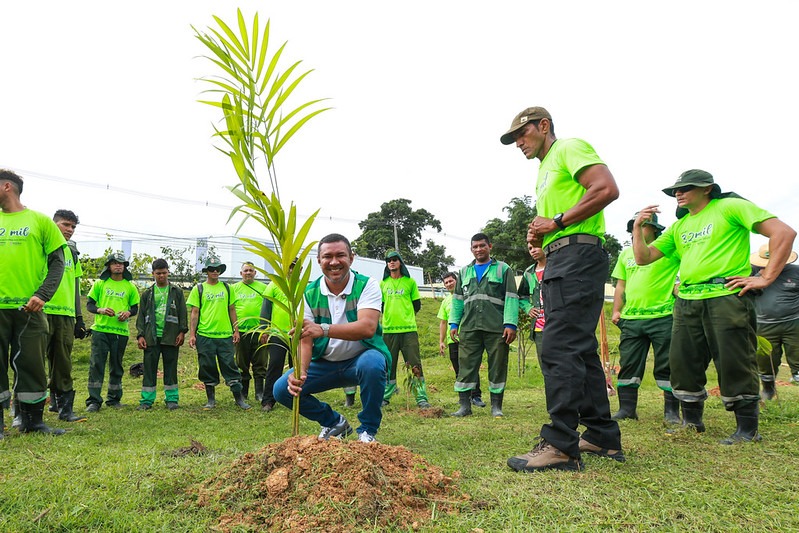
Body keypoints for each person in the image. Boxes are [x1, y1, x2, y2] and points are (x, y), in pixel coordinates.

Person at [633, 169, 796, 444]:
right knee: (683, 362)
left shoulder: (731, 207)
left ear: (707, 188)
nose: (678, 194)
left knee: (735, 361)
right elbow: (644, 257)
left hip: (725, 296)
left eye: (685, 188)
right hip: (687, 300)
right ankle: (692, 422)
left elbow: (784, 232)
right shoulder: (679, 226)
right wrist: (638, 227)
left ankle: (747, 430)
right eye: (675, 191)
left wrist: (766, 277)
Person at [500, 107, 623, 472]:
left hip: (578, 256)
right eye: (514, 139)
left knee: (557, 344)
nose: (518, 143)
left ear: (544, 126)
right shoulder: (545, 169)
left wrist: (555, 222)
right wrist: (542, 235)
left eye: (522, 134)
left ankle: (561, 443)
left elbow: (606, 188)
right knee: (580, 348)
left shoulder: (568, 148)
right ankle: (601, 435)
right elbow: (558, 220)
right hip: (562, 259)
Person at [273, 233, 390, 443]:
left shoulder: (367, 285)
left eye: (340, 255)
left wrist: (324, 329)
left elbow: (367, 327)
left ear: (351, 258)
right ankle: (334, 422)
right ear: (319, 261)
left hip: (360, 360)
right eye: (327, 256)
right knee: (282, 389)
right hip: (325, 363)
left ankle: (367, 431)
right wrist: (302, 371)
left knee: (373, 364)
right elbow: (305, 339)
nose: (334, 262)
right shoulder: (308, 293)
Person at [0, 169, 67, 436]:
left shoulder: (40, 221)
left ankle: (32, 422)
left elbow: (58, 263)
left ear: (7, 187)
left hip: (29, 309)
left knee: (31, 365)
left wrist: (42, 295)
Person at [610, 213, 680, 424]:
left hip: (663, 317)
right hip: (631, 319)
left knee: (667, 364)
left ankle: (671, 411)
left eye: (642, 226)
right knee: (629, 364)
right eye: (633, 227)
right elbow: (621, 285)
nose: (636, 231)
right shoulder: (625, 255)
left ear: (655, 229)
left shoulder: (670, 250)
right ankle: (627, 409)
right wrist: (616, 310)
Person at [449, 233, 518, 418]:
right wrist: (454, 323)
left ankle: (496, 407)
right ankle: (465, 406)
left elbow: (511, 297)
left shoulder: (503, 269)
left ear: (490, 246)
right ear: (471, 249)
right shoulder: (464, 272)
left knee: (497, 365)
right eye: (475, 247)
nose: (478, 249)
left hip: (496, 328)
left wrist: (511, 324)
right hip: (470, 327)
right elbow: (457, 300)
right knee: (466, 366)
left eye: (482, 246)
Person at [41, 209, 88, 423]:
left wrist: (79, 318)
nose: (69, 230)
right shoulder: (40, 248)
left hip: (66, 316)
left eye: (73, 227)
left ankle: (64, 408)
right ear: (53, 224)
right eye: (65, 225)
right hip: (41, 311)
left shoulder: (72, 253)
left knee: (63, 363)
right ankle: (25, 411)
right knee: (33, 362)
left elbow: (76, 286)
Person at [187, 258, 250, 410]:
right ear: (207, 271)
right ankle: (211, 400)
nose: (215, 271)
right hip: (205, 335)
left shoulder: (227, 288)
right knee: (207, 366)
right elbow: (195, 312)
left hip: (225, 336)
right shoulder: (199, 289)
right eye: (211, 268)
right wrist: (192, 334)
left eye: (217, 269)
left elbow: (232, 310)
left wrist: (236, 330)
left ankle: (239, 399)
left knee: (230, 366)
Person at [85, 252, 140, 412]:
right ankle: (93, 401)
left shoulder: (130, 286)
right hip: (100, 331)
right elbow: (90, 305)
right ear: (109, 265)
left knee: (116, 366)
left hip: (120, 333)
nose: (118, 265)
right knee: (96, 365)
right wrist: (100, 310)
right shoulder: (99, 284)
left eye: (121, 263)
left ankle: (114, 399)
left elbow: (135, 308)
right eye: (115, 263)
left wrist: (128, 313)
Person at [135, 258, 188, 410]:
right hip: (151, 337)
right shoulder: (147, 294)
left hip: (171, 337)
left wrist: (182, 332)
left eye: (164, 273)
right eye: (158, 273)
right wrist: (140, 335)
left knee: (171, 369)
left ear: (168, 272)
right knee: (149, 369)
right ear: (153, 274)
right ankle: (146, 401)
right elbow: (141, 316)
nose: (162, 276)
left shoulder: (176, 292)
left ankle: (171, 400)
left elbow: (182, 312)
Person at [381, 251, 430, 409]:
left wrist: (406, 317)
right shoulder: (383, 284)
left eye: (394, 259)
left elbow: (417, 305)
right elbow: (381, 306)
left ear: (400, 262)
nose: (391, 262)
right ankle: (386, 396)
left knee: (415, 363)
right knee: (389, 364)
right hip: (388, 331)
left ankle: (421, 398)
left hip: (408, 330)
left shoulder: (410, 282)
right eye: (389, 260)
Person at [749, 244, 799, 400]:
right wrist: (760, 277)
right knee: (765, 361)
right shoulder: (752, 272)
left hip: (794, 323)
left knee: (797, 357)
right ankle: (768, 390)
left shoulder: (795, 272)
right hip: (763, 325)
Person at [437, 271, 484, 407]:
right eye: (446, 283)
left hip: (468, 337)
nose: (449, 284)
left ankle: (476, 396)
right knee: (458, 369)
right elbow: (443, 322)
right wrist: (441, 341)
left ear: (457, 281)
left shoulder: (467, 297)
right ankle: (464, 397)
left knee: (471, 367)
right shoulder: (445, 301)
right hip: (453, 340)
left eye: (451, 281)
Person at [259, 264, 296, 412]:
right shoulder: (274, 285)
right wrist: (264, 329)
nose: (292, 270)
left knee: (297, 368)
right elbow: (266, 308)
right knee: (274, 366)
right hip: (277, 334)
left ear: (300, 270)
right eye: (290, 267)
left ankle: (296, 399)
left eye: (295, 267)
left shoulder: (303, 286)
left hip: (297, 334)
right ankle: (268, 401)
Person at [232, 261, 268, 402]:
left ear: (255, 273)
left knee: (260, 363)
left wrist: (265, 330)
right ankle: (243, 393)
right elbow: (231, 309)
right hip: (241, 332)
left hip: (259, 332)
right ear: (241, 273)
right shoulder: (233, 288)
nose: (248, 273)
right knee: (242, 363)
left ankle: (260, 393)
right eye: (245, 270)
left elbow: (268, 309)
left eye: (251, 270)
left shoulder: (263, 288)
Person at [517, 243, 547, 361]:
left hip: (558, 324)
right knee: (545, 363)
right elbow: (521, 295)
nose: (533, 250)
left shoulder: (556, 266)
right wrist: (528, 308)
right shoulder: (528, 273)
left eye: (536, 246)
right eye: (530, 248)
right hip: (539, 327)